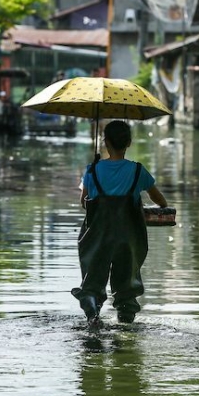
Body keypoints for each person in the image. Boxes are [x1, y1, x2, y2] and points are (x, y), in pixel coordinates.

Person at [72, 120, 167, 325]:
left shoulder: (92, 170)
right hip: (128, 238)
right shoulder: (137, 171)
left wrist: (94, 173)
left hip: (97, 238)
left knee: (94, 277)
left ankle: (91, 303)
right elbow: (160, 201)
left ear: (105, 142)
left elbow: (84, 203)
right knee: (126, 286)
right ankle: (125, 318)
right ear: (129, 143)